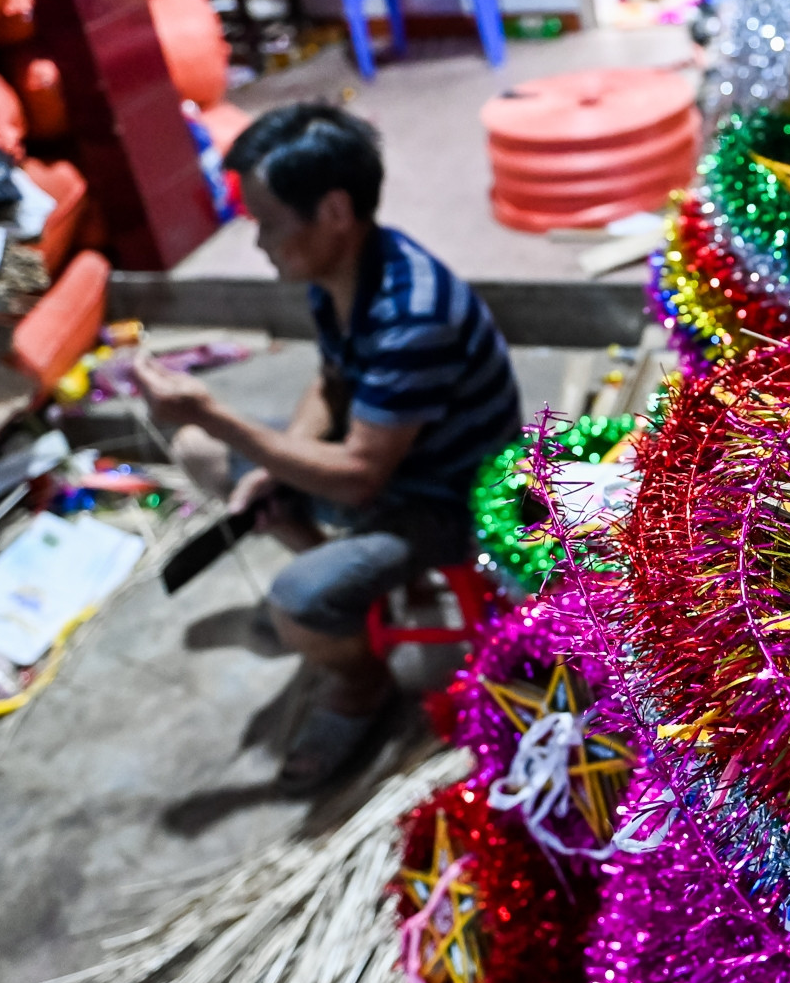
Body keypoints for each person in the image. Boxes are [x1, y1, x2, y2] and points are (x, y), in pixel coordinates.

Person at [134, 103, 520, 789]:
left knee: (294, 601)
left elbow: (359, 478)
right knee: (199, 450)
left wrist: (224, 417)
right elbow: (333, 378)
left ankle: (362, 682)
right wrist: (283, 456)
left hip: (448, 497)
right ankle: (341, 590)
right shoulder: (338, 271)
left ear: (335, 211)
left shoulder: (412, 313)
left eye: (270, 224)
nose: (259, 245)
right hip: (384, 466)